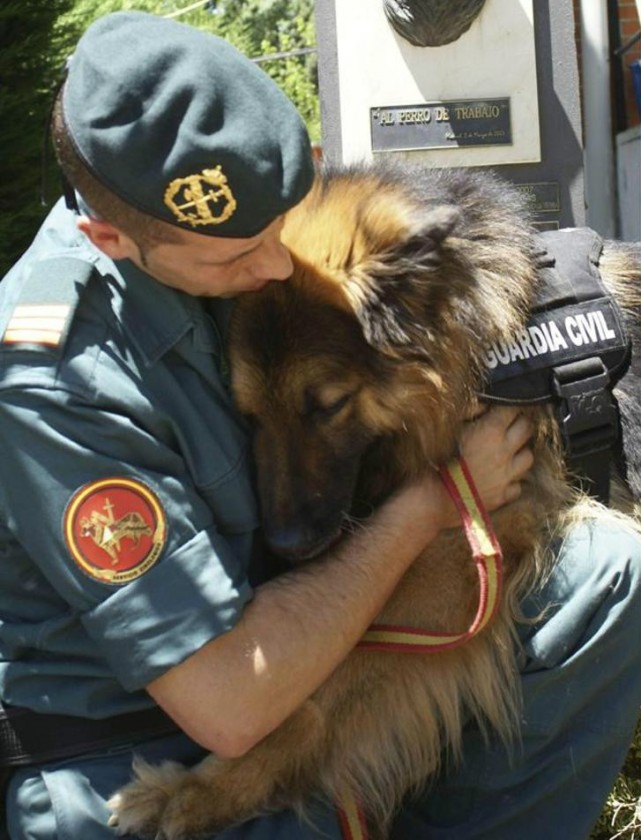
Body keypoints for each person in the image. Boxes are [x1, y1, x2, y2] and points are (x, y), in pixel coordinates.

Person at [0, 10, 637, 840]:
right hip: (144, 778)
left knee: (603, 567)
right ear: (109, 238)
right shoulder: (55, 373)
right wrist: (436, 504)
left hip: (287, 683)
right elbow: (229, 708)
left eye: (272, 232)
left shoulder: (221, 256)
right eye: (234, 258)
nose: (272, 266)